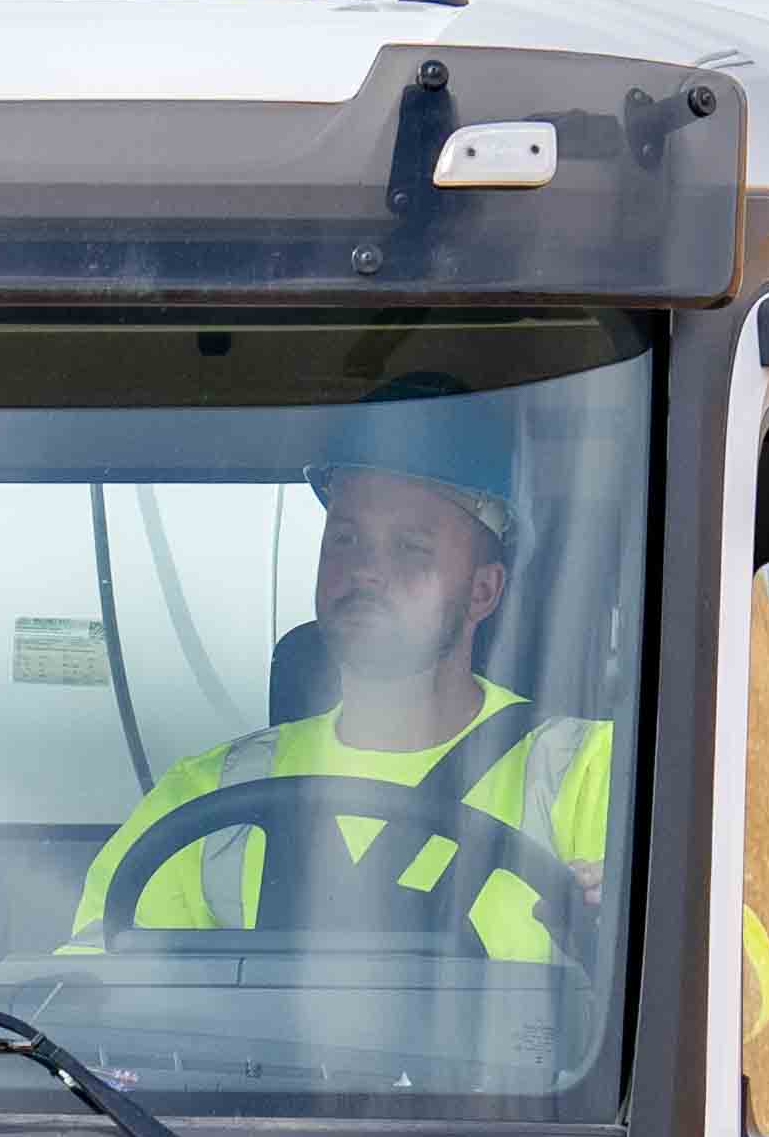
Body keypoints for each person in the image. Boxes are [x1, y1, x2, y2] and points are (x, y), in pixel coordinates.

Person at [69, 391, 620, 967]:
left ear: (483, 590)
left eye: (410, 548)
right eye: (345, 538)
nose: (364, 571)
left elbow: (701, 982)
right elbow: (94, 996)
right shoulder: (208, 792)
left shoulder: (591, 773)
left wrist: (625, 935)